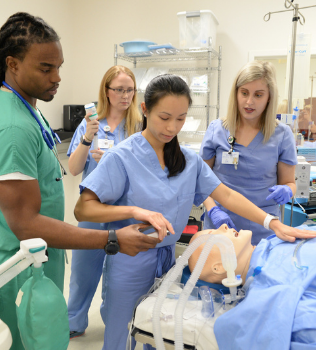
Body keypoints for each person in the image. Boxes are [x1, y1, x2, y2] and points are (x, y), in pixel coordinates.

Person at [73, 74, 316, 350]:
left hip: (168, 260)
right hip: (131, 257)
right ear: (144, 109)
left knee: (157, 332)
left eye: (180, 118)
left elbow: (226, 195)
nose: (172, 127)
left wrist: (271, 222)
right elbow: (83, 208)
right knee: (121, 336)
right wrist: (135, 210)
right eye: (164, 117)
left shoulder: (188, 161)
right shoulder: (122, 157)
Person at [0, 12, 159, 350]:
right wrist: (112, 240)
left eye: (59, 66)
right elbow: (26, 224)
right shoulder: (11, 128)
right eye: (45, 68)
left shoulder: (29, 109)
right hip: (17, 269)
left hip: (35, 257)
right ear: (12, 63)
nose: (57, 77)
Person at [67, 65, 142, 339]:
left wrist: (116, 163)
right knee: (83, 271)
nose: (125, 96)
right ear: (106, 91)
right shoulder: (91, 125)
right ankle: (73, 322)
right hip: (92, 208)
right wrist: (87, 138)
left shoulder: (139, 127)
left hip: (123, 209)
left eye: (130, 90)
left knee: (117, 276)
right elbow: (74, 169)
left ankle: (114, 323)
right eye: (119, 90)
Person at [200, 61, 297, 245]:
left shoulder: (282, 135)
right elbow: (201, 179)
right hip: (221, 224)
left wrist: (288, 191)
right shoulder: (217, 129)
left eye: (258, 95)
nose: (249, 101)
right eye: (244, 93)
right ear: (236, 93)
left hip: (265, 226)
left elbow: (289, 183)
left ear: (269, 97)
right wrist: (212, 210)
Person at [188, 224, 316, 349]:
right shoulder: (270, 296)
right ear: (219, 267)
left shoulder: (278, 239)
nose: (223, 226)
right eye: (212, 235)